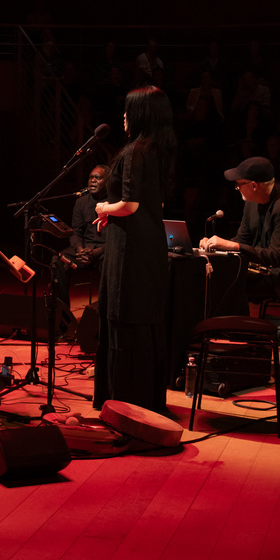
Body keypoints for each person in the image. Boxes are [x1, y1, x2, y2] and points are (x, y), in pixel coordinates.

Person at [92, 87, 176, 412]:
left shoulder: (134, 152)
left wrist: (103, 208)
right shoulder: (159, 149)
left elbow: (130, 204)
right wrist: (111, 216)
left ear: (140, 114)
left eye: (129, 110)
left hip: (130, 252)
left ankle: (121, 403)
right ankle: (145, 400)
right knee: (142, 320)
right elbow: (157, 203)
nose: (124, 116)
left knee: (123, 316)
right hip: (148, 246)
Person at [199, 156, 280, 331]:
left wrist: (232, 246)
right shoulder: (251, 202)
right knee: (219, 274)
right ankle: (225, 331)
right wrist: (218, 246)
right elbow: (242, 239)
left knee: (233, 280)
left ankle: (240, 331)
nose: (236, 189)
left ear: (254, 185)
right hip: (266, 270)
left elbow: (275, 256)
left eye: (238, 184)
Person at [52, 164, 107, 307]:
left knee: (111, 263)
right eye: (91, 177)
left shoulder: (114, 203)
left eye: (98, 178)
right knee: (58, 260)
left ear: (108, 181)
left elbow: (118, 239)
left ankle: (104, 312)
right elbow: (75, 232)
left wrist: (96, 252)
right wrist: (79, 250)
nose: (93, 180)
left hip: (104, 251)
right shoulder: (81, 202)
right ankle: (63, 313)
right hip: (84, 250)